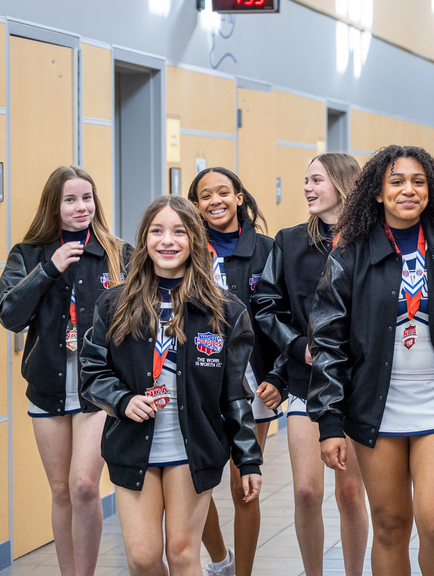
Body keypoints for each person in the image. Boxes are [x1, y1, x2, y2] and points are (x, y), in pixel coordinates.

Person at [309, 145, 434, 576]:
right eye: (396, 182)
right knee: (391, 526)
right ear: (377, 192)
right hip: (376, 406)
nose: (408, 190)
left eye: (418, 182)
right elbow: (328, 339)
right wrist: (330, 421)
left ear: (431, 190)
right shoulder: (351, 254)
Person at [80, 195, 263, 576]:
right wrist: (122, 400)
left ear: (195, 240)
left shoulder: (226, 312)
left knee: (182, 553)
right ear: (145, 239)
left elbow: (235, 396)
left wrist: (248, 460)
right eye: (157, 231)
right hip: (132, 445)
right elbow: (92, 372)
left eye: (179, 231)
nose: (168, 240)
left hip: (194, 446)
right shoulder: (113, 305)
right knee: (144, 558)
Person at [0, 166, 130, 576]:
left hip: (97, 389)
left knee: (85, 486)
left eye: (87, 198)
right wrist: (48, 269)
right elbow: (9, 316)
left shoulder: (117, 252)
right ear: (54, 206)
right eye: (70, 200)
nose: (81, 207)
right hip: (49, 386)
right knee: (60, 491)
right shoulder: (28, 253)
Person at [252, 153, 370, 576]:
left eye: (316, 180)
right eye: (305, 180)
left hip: (357, 383)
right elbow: (266, 305)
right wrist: (297, 344)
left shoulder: (371, 242)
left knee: (351, 492)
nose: (306, 188)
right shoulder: (288, 241)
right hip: (308, 379)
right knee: (305, 491)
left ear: (342, 184)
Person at [187, 167, 280, 576]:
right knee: (197, 483)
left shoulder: (266, 248)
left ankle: (243, 572)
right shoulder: (184, 248)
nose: (215, 201)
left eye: (223, 192)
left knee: (245, 485)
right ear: (195, 206)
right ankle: (220, 561)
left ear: (239, 197)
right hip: (197, 382)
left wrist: (279, 375)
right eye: (205, 196)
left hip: (251, 384)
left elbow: (284, 317)